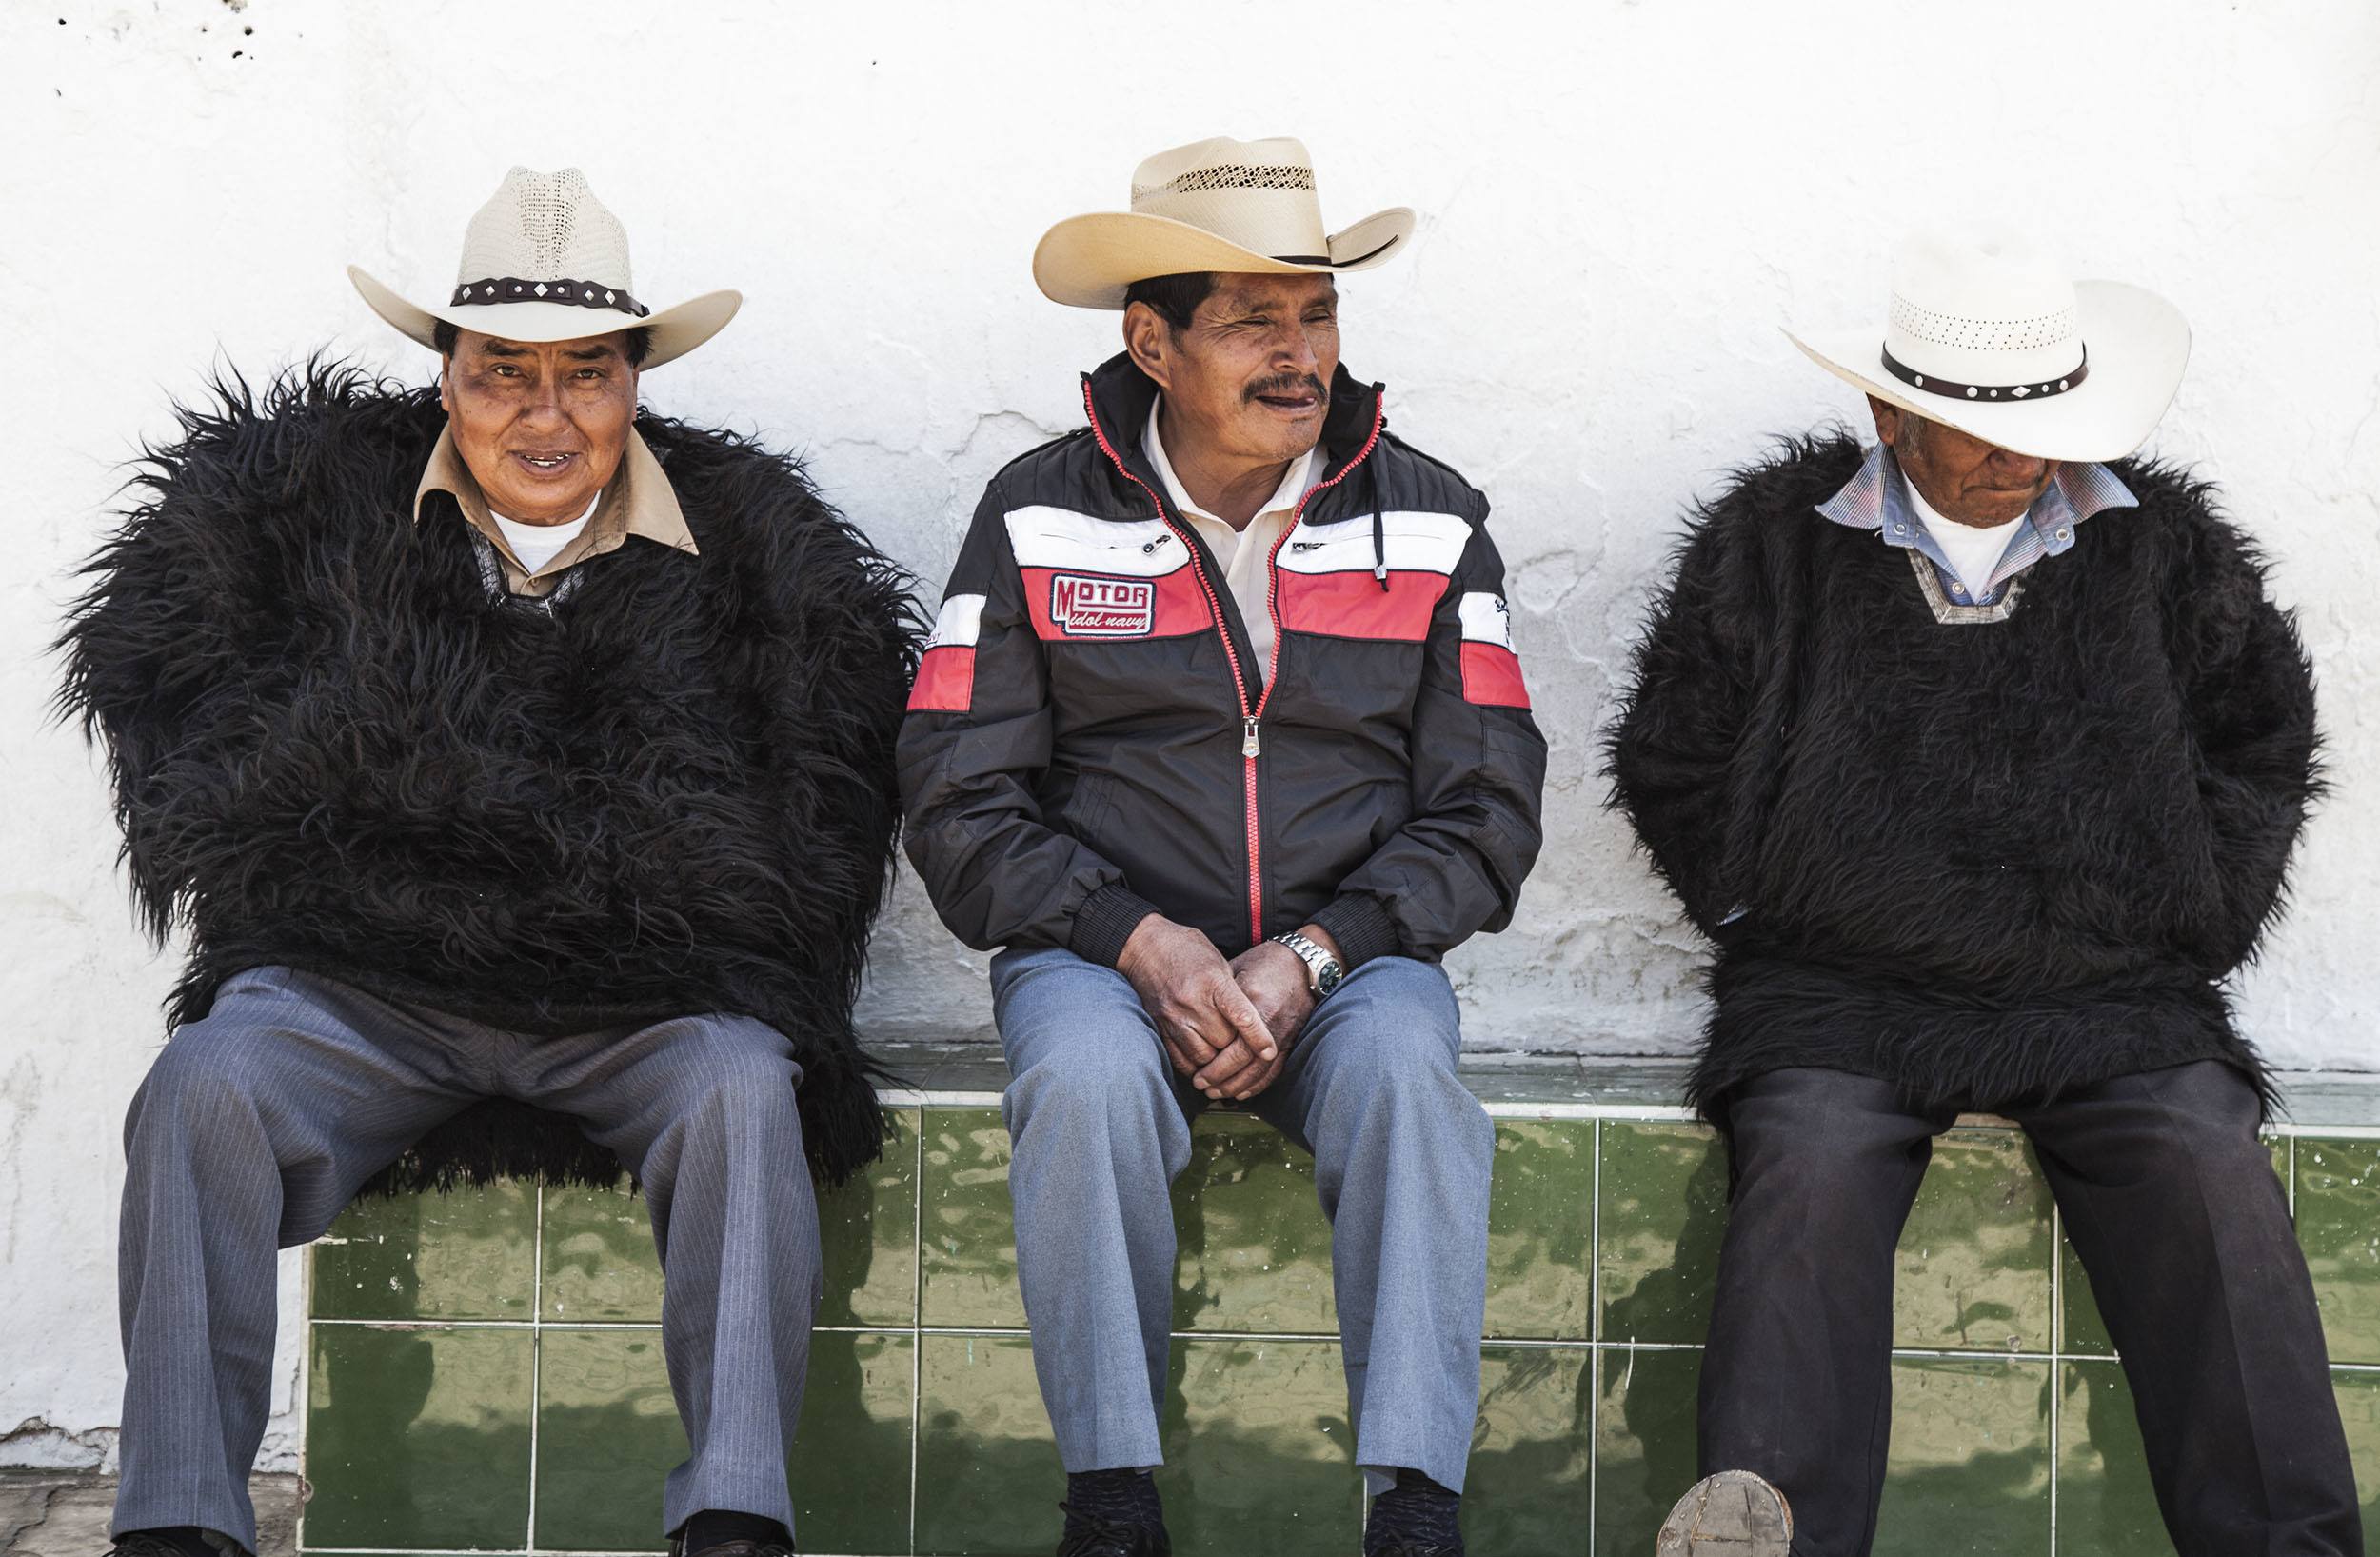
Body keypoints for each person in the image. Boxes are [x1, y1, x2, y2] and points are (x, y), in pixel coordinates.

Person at [61, 167, 919, 1557]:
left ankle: (736, 1518)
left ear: (636, 384)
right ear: (446, 378)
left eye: (586, 374)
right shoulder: (304, 520)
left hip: (645, 1001)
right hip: (362, 991)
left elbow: (803, 821)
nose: (544, 413)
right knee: (204, 1084)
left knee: (741, 1089)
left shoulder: (758, 556)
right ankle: (176, 1524)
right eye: (503, 372)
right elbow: (198, 728)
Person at [1612, 226, 2361, 1557]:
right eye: (1981, 423)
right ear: (1891, 413)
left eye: (2054, 416)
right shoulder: (1773, 546)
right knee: (1808, 1169)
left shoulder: (2165, 547)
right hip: (1840, 990)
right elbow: (1674, 753)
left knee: (2202, 1160)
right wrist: (1764, 900)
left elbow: (2262, 738)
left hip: (2111, 994)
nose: (2028, 450)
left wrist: (2194, 912)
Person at [899, 136, 1547, 1557]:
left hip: (1350, 961)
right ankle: (1115, 1503)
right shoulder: (1032, 512)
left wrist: (1317, 953)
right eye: (1252, 318)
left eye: (1315, 313)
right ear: (1152, 337)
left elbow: (1490, 808)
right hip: (1100, 953)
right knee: (1077, 1078)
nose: (1297, 351)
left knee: (1404, 1076)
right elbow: (956, 795)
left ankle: (1417, 1510)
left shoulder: (1435, 523)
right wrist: (1138, 938)